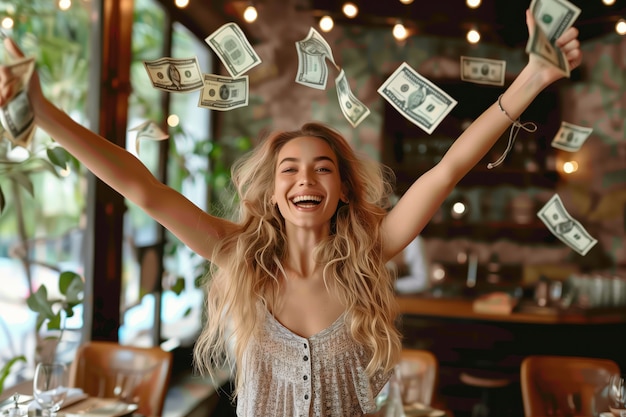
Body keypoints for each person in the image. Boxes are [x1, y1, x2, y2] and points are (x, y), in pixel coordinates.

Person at [0, 10, 582, 417]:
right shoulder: (236, 254)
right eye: (289, 169)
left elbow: (448, 169)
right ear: (274, 194)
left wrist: (534, 76)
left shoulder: (371, 252)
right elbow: (143, 188)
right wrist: (43, 112)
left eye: (324, 168)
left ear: (344, 191)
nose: (306, 178)